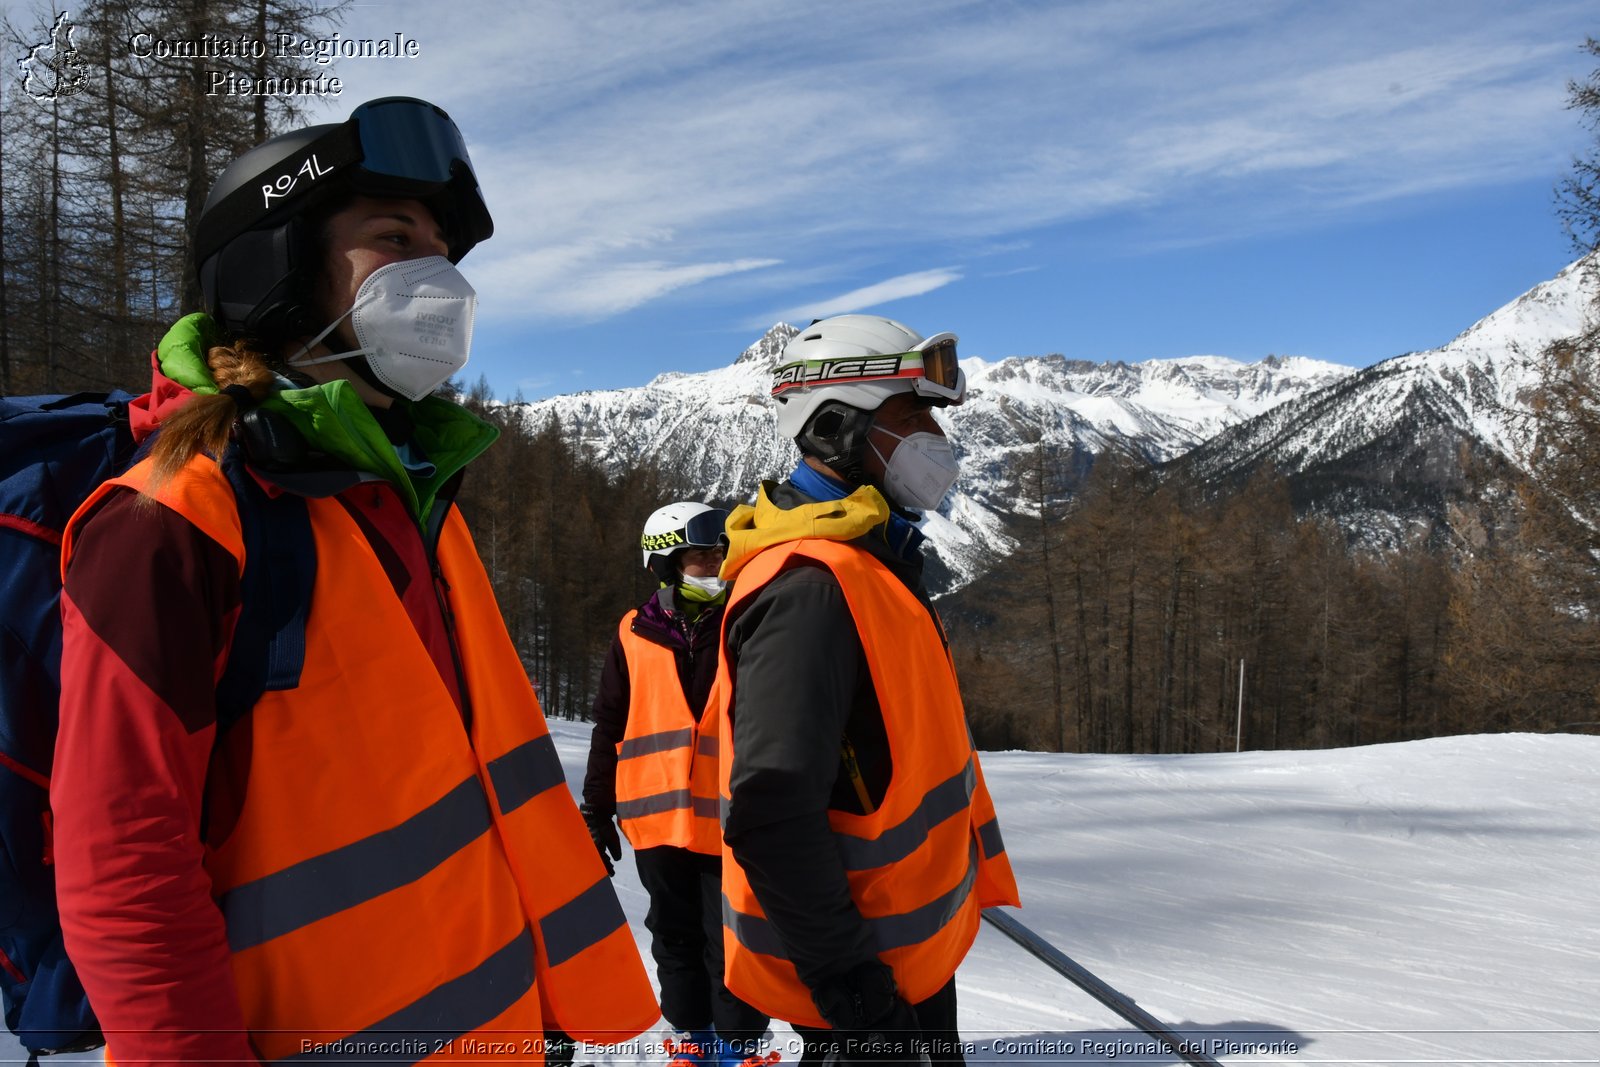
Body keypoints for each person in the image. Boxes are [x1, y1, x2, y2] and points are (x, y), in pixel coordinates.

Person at [50, 97, 657, 1063]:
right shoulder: (169, 523)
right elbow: (123, 870)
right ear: (275, 268)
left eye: (444, 250)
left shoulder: (410, 489)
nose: (436, 275)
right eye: (392, 236)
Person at [712, 315, 1021, 1066]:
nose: (933, 438)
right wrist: (854, 992)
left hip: (902, 962)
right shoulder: (809, 590)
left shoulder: (866, 557)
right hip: (866, 981)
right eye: (912, 415)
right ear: (834, 425)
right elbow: (771, 811)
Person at [581, 503, 773, 1067]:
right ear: (666, 563)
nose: (714, 562)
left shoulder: (750, 615)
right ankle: (691, 1038)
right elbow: (610, 724)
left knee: (734, 938)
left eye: (719, 552)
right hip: (655, 818)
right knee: (674, 935)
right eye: (699, 554)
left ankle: (741, 1047)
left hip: (732, 818)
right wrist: (596, 808)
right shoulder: (633, 631)